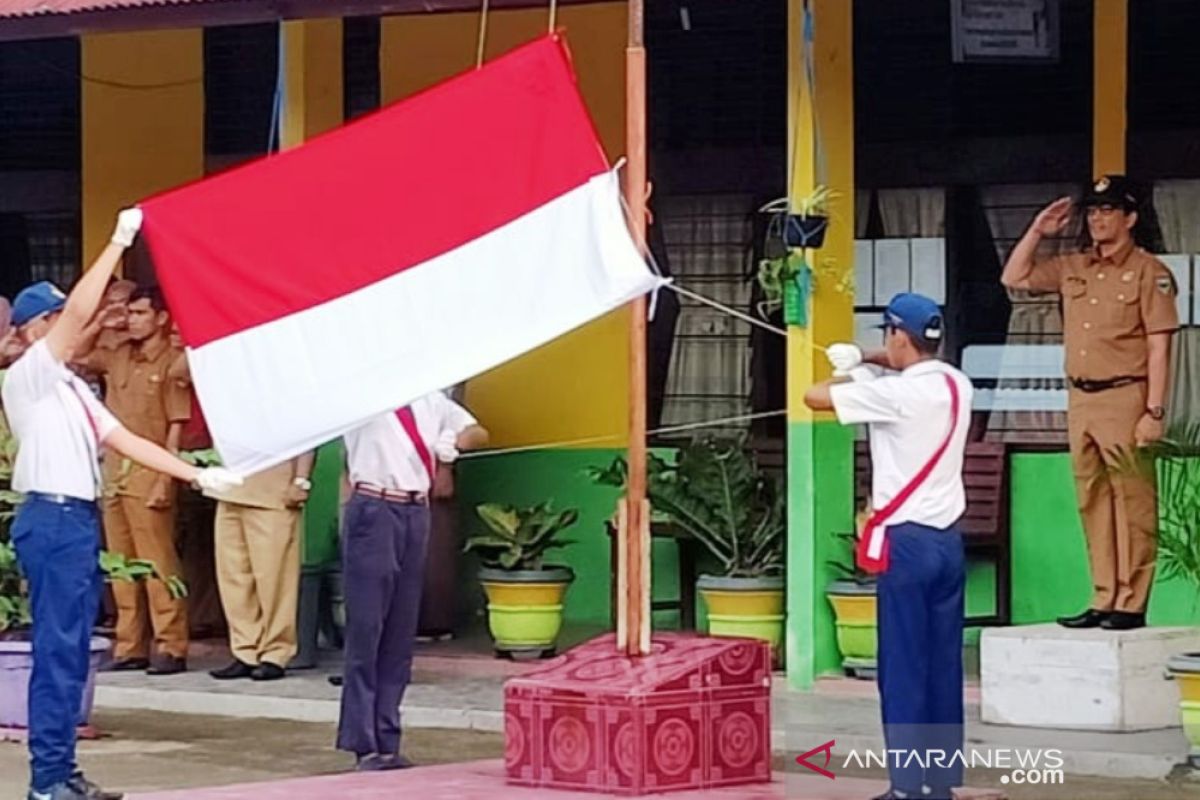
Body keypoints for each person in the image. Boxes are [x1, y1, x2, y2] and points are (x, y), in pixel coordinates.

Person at [2, 208, 240, 800]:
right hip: (52, 518)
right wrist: (117, 242)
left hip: (74, 521)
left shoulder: (72, 388)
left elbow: (125, 439)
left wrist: (195, 475)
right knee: (59, 653)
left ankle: (60, 773)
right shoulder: (29, 374)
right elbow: (83, 312)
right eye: (54, 318)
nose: (68, 324)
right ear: (35, 330)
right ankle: (48, 779)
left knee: (72, 653)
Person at [804, 293, 972, 800]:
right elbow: (905, 363)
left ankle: (906, 788)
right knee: (943, 666)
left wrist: (847, 370)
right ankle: (940, 783)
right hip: (948, 544)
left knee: (902, 666)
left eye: (886, 336)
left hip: (907, 545)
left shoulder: (897, 395)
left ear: (898, 335)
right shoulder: (955, 383)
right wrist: (865, 359)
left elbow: (814, 396)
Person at [1001, 175, 1179, 630]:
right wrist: (1039, 229)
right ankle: (1103, 595)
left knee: (1132, 501)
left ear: (1130, 218)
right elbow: (1014, 276)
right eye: (1094, 212)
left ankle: (1131, 602)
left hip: (1126, 395)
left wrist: (1154, 410)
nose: (1099, 220)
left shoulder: (1148, 272)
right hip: (1081, 397)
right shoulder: (1074, 266)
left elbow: (1160, 346)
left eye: (1108, 211)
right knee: (1092, 500)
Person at [336, 392, 487, 770]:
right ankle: (362, 742)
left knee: (401, 633)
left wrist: (453, 443)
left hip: (415, 510)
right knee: (368, 628)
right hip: (373, 507)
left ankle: (388, 739)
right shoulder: (362, 394)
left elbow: (478, 432)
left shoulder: (430, 398)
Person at [79, 286, 192, 673]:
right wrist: (100, 322)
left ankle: (171, 645)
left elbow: (177, 425)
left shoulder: (171, 362)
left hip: (149, 473)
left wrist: (166, 478)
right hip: (114, 472)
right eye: (130, 313)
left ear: (161, 318)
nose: (132, 319)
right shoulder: (118, 353)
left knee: (157, 562)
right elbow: (74, 354)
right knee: (120, 565)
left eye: (141, 313)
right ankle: (130, 646)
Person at [205, 451, 315, 682]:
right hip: (230, 489)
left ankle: (276, 653)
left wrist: (301, 480)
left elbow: (306, 435)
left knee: (274, 578)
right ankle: (245, 650)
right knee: (233, 576)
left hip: (275, 491)